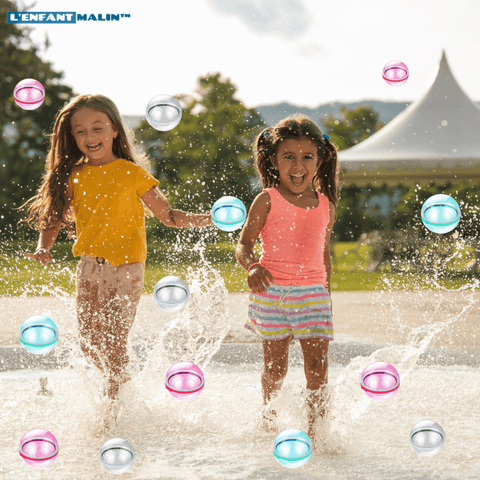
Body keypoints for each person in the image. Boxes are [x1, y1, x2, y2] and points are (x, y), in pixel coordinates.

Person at [19, 94, 213, 410]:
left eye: (97, 128)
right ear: (72, 137)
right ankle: (125, 392)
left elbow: (169, 216)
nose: (89, 137)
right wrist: (43, 247)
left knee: (113, 341)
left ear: (114, 131)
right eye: (80, 131)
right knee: (89, 343)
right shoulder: (74, 175)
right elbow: (54, 218)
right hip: (89, 267)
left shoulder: (132, 173)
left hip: (127, 269)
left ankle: (112, 412)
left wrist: (210, 219)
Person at [235, 115, 338, 445]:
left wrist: (328, 294)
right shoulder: (267, 199)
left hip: (313, 295)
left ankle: (316, 431)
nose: (298, 165)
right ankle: (267, 417)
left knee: (317, 370)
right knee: (276, 369)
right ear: (274, 161)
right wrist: (251, 267)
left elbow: (324, 254)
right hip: (272, 294)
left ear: (319, 161)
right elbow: (243, 244)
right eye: (288, 157)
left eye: (307, 157)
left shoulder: (326, 205)